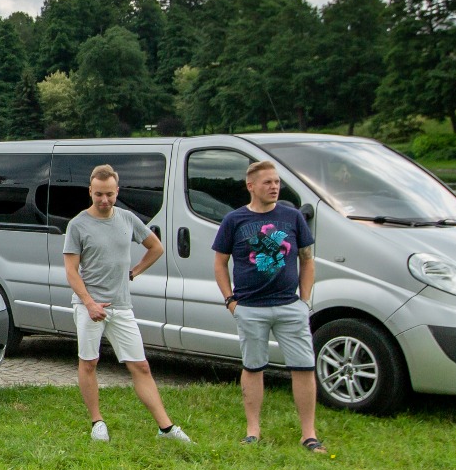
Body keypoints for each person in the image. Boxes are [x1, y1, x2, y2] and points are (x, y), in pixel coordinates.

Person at [62, 165, 192, 445]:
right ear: (90, 191)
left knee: (141, 366)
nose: (104, 200)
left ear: (117, 191)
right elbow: (71, 271)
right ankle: (97, 422)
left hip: (121, 305)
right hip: (89, 306)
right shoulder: (78, 225)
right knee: (89, 362)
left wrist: (134, 272)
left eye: (109, 194)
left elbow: (156, 247)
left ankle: (166, 428)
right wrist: (89, 303)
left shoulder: (128, 219)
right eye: (99, 194)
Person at [211, 159, 323, 451]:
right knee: (253, 367)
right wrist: (230, 300)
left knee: (304, 367)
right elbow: (220, 263)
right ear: (251, 186)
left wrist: (304, 301)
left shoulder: (292, 217)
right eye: (267, 182)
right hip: (250, 307)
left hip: (289, 306)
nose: (274, 187)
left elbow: (307, 259)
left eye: (276, 182)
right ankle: (253, 431)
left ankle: (309, 434)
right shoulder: (234, 220)